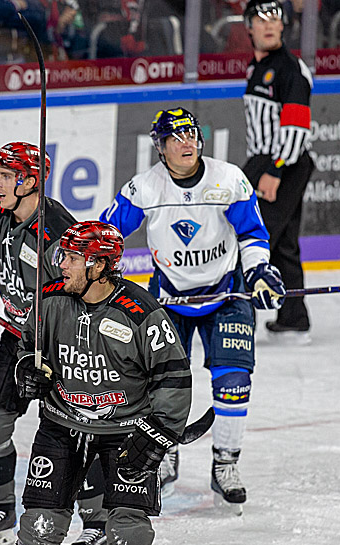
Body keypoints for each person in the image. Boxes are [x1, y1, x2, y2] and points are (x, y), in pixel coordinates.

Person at [1, 220, 192, 545]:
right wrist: (26, 368)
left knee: (129, 535)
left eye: (71, 257)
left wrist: (158, 436)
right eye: (63, 256)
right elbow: (24, 348)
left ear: (99, 265)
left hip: (124, 432)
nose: (61, 264)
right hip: (60, 425)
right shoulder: (49, 299)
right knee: (39, 526)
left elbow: (173, 379)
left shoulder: (142, 314)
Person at [100, 107, 285, 511]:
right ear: (160, 147)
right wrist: (97, 273)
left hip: (225, 293)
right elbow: (108, 235)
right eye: (176, 137)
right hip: (170, 298)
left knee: (234, 378)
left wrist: (257, 274)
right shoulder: (144, 189)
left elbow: (252, 232)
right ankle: (166, 456)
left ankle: (225, 464)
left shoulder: (229, 178)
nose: (187, 142)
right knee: (161, 385)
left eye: (192, 135)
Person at [0, 142, 111, 545]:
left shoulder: (58, 231)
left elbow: (80, 289)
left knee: (78, 431)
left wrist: (56, 350)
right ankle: (2, 511)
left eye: (4, 176)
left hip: (63, 342)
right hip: (19, 338)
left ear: (29, 181)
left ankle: (98, 521)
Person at [241, 0, 314, 340]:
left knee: (253, 239)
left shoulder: (290, 69)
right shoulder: (256, 68)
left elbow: (296, 127)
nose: (269, 25)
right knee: (283, 243)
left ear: (283, 25)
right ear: (249, 27)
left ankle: (238, 320)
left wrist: (276, 170)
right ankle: (294, 317)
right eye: (261, 20)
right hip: (265, 162)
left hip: (283, 163)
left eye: (275, 19)